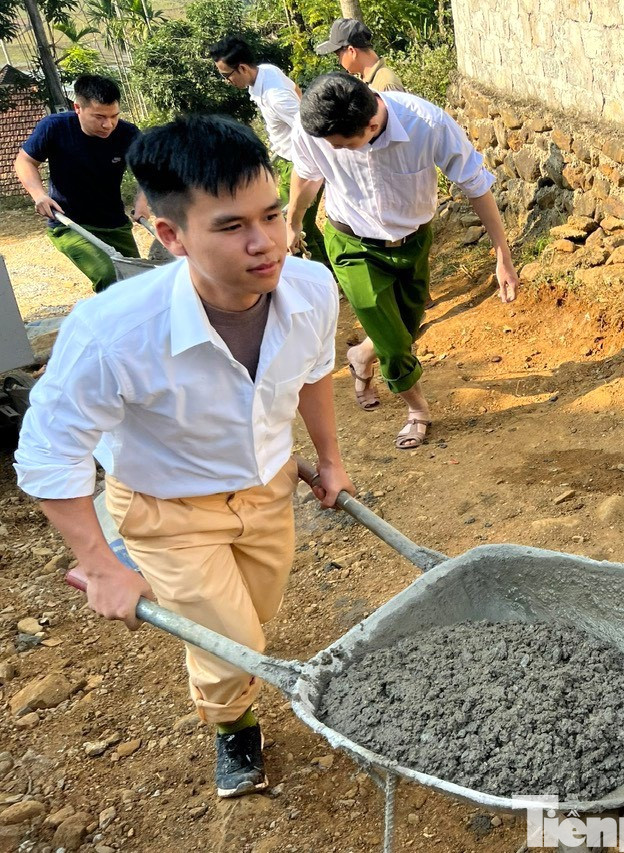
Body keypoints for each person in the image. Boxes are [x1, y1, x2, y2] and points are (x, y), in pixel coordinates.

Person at [14, 115, 354, 798]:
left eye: (270, 215)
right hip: (166, 510)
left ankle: (233, 683)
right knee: (230, 638)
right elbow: (50, 450)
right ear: (171, 236)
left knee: (255, 620)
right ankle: (235, 727)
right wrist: (100, 564)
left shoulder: (311, 288)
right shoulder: (114, 330)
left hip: (267, 488)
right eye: (231, 227)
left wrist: (329, 456)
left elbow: (314, 371)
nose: (266, 244)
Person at [286, 73, 519, 449]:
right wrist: (292, 224)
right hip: (351, 242)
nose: (338, 151)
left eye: (345, 146)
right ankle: (418, 411)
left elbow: (475, 185)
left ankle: (361, 355)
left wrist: (502, 255)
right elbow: (307, 175)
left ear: (372, 124)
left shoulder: (427, 124)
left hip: (413, 242)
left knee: (405, 331)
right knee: (396, 346)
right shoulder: (315, 127)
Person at [13, 74, 147, 292]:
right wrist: (39, 195)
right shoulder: (55, 127)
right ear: (77, 108)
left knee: (138, 282)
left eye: (114, 116)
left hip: (115, 224)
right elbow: (25, 161)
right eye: (99, 117)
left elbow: (149, 172)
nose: (108, 124)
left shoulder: (127, 133)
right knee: (110, 276)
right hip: (69, 224)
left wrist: (142, 201)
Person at [208, 36, 329, 268]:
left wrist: (313, 170)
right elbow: (296, 87)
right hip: (287, 159)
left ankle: (327, 276)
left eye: (227, 75)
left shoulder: (276, 97)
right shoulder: (266, 72)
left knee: (294, 222)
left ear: (242, 67)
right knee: (297, 221)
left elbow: (311, 131)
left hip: (299, 165)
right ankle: (328, 271)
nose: (227, 81)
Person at [315, 18, 405, 92]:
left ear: (352, 51)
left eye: (339, 56)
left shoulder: (386, 83)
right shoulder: (366, 81)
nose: (339, 62)